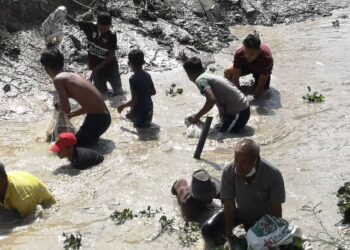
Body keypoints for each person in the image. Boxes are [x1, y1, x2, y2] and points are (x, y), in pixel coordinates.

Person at [201, 139, 286, 248]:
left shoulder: (273, 174)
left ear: (255, 160)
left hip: (263, 220)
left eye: (243, 162)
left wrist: (274, 237)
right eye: (236, 159)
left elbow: (276, 211)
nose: (238, 165)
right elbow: (229, 206)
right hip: (240, 213)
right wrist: (229, 237)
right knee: (208, 229)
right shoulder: (229, 172)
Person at [40, 48, 111, 147]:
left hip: (96, 120)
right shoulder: (73, 75)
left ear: (46, 68)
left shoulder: (58, 80)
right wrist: (73, 114)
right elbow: (89, 105)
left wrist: (57, 106)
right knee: (89, 145)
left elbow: (66, 109)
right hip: (105, 118)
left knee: (69, 149)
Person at [183, 57, 250, 133]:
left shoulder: (200, 80)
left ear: (189, 74)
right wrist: (221, 114)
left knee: (224, 135)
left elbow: (211, 100)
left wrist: (197, 116)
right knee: (219, 130)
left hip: (239, 112)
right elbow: (218, 98)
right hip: (242, 109)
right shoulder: (208, 76)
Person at [68, 12, 123, 95]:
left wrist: (96, 69)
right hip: (96, 66)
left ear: (110, 25)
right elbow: (74, 22)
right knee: (101, 93)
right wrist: (63, 14)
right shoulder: (90, 27)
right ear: (97, 24)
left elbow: (111, 56)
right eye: (101, 27)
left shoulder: (112, 35)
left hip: (110, 67)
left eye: (107, 27)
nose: (104, 29)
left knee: (118, 92)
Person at [224, 33, 273, 98]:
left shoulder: (266, 58)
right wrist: (237, 96)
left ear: (259, 51)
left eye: (252, 54)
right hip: (246, 66)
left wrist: (255, 98)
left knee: (264, 90)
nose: (248, 56)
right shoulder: (239, 54)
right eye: (246, 52)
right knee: (227, 72)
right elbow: (235, 78)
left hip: (260, 69)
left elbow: (261, 85)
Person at [117, 49, 156, 128]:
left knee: (129, 120)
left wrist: (122, 106)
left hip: (140, 117)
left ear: (129, 63)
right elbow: (153, 92)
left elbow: (134, 101)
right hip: (149, 113)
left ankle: (133, 115)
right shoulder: (147, 75)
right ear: (143, 62)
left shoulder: (132, 79)